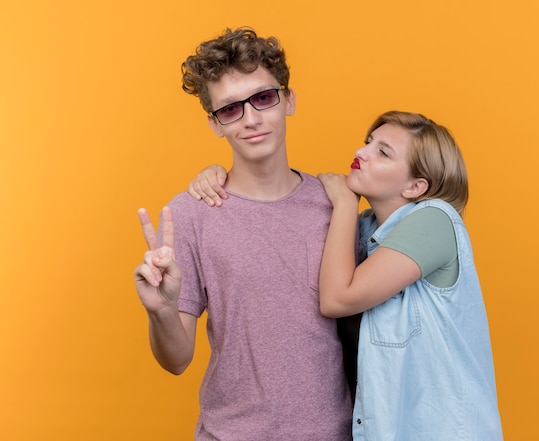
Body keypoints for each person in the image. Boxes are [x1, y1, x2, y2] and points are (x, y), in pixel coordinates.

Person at [191, 111, 504, 440]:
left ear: (416, 186)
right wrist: (219, 180)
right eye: (368, 142)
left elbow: (338, 298)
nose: (360, 152)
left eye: (382, 152)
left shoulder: (435, 219)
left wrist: (343, 203)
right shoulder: (363, 232)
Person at [133, 27, 352, 441]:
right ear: (215, 124)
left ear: (288, 100)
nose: (251, 119)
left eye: (263, 98)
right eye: (230, 109)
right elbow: (177, 360)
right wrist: (160, 311)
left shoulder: (337, 204)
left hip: (335, 432)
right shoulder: (191, 214)